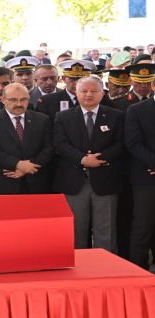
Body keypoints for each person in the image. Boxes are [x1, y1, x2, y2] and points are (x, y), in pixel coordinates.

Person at [52, 76, 124, 253]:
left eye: (94, 91)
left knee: (106, 231)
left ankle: (107, 270)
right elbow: (60, 144)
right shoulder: (63, 116)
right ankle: (79, 273)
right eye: (84, 91)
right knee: (76, 231)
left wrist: (100, 158)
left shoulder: (116, 115)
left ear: (102, 93)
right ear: (76, 93)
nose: (89, 95)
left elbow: (121, 143)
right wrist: (83, 159)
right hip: (74, 181)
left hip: (105, 180)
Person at [0, 83, 53, 194]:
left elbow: (48, 148)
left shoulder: (42, 120)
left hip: (35, 182)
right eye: (13, 100)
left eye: (23, 99)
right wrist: (17, 164)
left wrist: (28, 167)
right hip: (3, 183)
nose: (19, 104)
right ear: (3, 99)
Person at [124, 63, 155, 270]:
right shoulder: (137, 109)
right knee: (143, 228)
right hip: (146, 179)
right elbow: (133, 143)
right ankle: (139, 273)